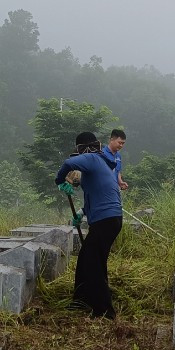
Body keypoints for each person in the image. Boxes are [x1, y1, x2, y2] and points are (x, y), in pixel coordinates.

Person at [55, 131, 123, 318]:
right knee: (87, 260)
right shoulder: (99, 166)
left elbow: (68, 164)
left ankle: (104, 311)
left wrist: (59, 180)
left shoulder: (92, 158)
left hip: (106, 220)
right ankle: (81, 299)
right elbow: (95, 195)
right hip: (110, 219)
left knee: (93, 264)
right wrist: (82, 212)